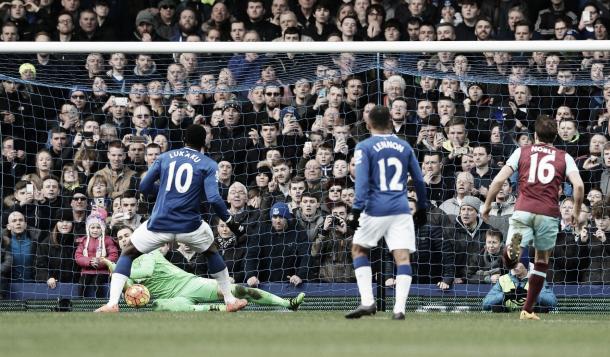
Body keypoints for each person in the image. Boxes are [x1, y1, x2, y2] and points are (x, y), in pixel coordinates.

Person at [96, 125, 247, 313]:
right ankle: (230, 300)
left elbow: (143, 187)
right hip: (190, 226)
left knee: (127, 253)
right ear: (204, 143)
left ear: (184, 140)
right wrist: (232, 223)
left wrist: (163, 192)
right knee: (211, 253)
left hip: (159, 223)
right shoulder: (208, 163)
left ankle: (112, 304)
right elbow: (215, 199)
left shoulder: (164, 157)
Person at [481, 115, 584, 320]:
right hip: (548, 214)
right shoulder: (565, 157)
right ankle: (527, 310)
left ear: (535, 135)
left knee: (512, 255)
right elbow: (579, 186)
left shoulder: (522, 151)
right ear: (555, 136)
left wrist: (486, 206)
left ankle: (511, 253)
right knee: (541, 261)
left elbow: (499, 179)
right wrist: (576, 212)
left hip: (523, 210)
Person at [345, 105, 429, 320]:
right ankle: (399, 309)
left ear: (368, 124)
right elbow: (419, 180)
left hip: (375, 208)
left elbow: (362, 181)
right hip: (401, 209)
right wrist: (422, 207)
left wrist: (355, 210)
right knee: (402, 258)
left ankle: (367, 302)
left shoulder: (364, 146)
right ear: (390, 122)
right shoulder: (404, 146)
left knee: (358, 250)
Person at [102, 226, 304, 312]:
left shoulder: (148, 252)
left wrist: (112, 266)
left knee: (238, 290)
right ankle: (224, 308)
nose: (124, 239)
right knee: (157, 307)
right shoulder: (123, 267)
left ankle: (288, 303)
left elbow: (144, 272)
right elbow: (130, 290)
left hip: (189, 284)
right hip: (174, 299)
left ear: (136, 235)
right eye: (120, 238)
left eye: (127, 235)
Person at [482, 263, 557, 313]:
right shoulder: (503, 279)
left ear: (526, 262)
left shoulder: (537, 279)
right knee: (497, 307)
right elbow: (485, 304)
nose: (514, 265)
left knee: (542, 308)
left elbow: (553, 302)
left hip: (531, 318)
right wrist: (505, 295)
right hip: (507, 320)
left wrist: (533, 295)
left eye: (518, 262)